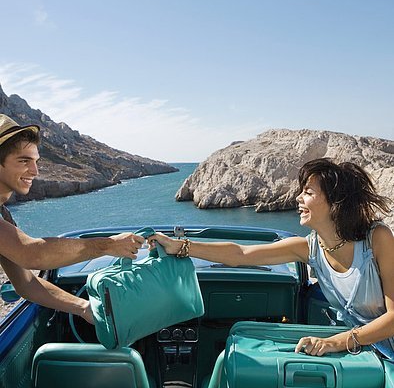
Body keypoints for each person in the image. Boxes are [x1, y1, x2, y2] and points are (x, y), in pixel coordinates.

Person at [149, 158, 394, 359]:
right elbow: (240, 254)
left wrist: (338, 341)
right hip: (362, 352)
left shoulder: (377, 239)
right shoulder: (308, 247)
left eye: (307, 192)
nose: (298, 198)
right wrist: (180, 246)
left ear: (336, 203)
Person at [0, 114, 144, 324]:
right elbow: (32, 254)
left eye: (36, 161)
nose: (35, 171)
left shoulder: (3, 215)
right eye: (24, 161)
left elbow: (27, 282)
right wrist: (108, 245)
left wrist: (83, 308)